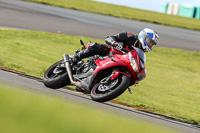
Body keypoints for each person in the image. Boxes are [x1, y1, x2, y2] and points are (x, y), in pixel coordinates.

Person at [71, 28, 159, 69]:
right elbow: (109, 37)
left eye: (152, 44)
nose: (150, 45)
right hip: (111, 53)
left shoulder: (141, 53)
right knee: (97, 47)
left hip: (121, 63)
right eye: (149, 42)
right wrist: (114, 43)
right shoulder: (129, 36)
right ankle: (75, 57)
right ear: (144, 36)